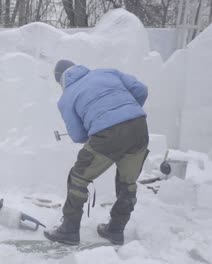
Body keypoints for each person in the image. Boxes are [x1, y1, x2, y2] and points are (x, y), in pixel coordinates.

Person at [43, 60, 149, 246]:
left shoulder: (67, 97)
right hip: (139, 128)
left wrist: (97, 128)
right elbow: (141, 90)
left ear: (61, 80)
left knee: (78, 178)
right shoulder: (107, 71)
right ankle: (115, 230)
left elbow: (77, 135)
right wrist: (128, 111)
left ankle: (68, 230)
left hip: (108, 135)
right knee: (128, 183)